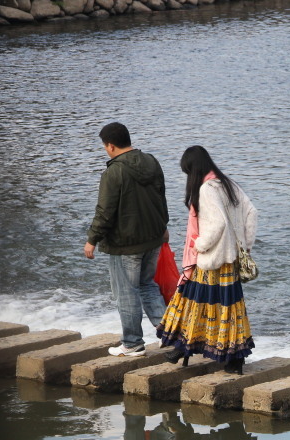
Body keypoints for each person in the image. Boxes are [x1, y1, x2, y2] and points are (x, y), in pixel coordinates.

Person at [157, 146, 256, 374]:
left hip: (211, 261)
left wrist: (199, 244)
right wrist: (243, 245)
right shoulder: (228, 184)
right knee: (229, 310)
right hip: (229, 261)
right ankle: (233, 360)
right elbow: (251, 213)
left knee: (194, 304)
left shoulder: (207, 189)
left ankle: (183, 347)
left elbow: (218, 223)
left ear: (194, 170)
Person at [84, 122, 170, 357]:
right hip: (153, 238)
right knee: (147, 285)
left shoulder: (114, 172)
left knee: (126, 292)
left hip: (125, 245)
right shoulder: (151, 161)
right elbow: (161, 195)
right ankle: (170, 335)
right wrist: (164, 225)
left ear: (110, 146)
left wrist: (92, 239)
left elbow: (105, 210)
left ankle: (132, 343)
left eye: (104, 146)